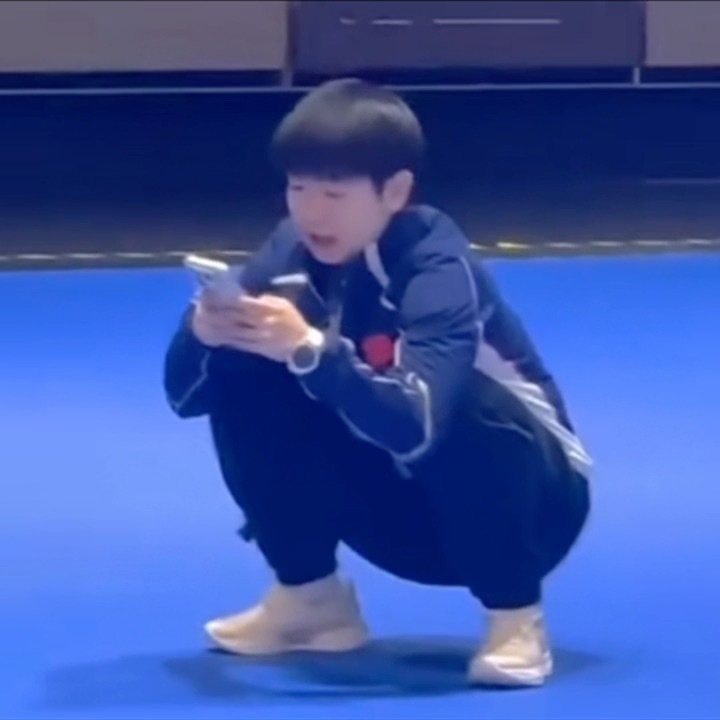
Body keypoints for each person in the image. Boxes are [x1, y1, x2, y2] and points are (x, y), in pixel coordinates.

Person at [163, 78, 592, 688]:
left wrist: (310, 350)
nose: (311, 211)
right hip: (399, 514)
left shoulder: (437, 268)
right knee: (247, 365)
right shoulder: (290, 251)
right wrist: (204, 334)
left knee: (462, 403)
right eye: (298, 188)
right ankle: (311, 599)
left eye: (334, 193)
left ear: (394, 192)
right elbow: (187, 399)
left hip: (536, 509)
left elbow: (417, 428)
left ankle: (515, 617)